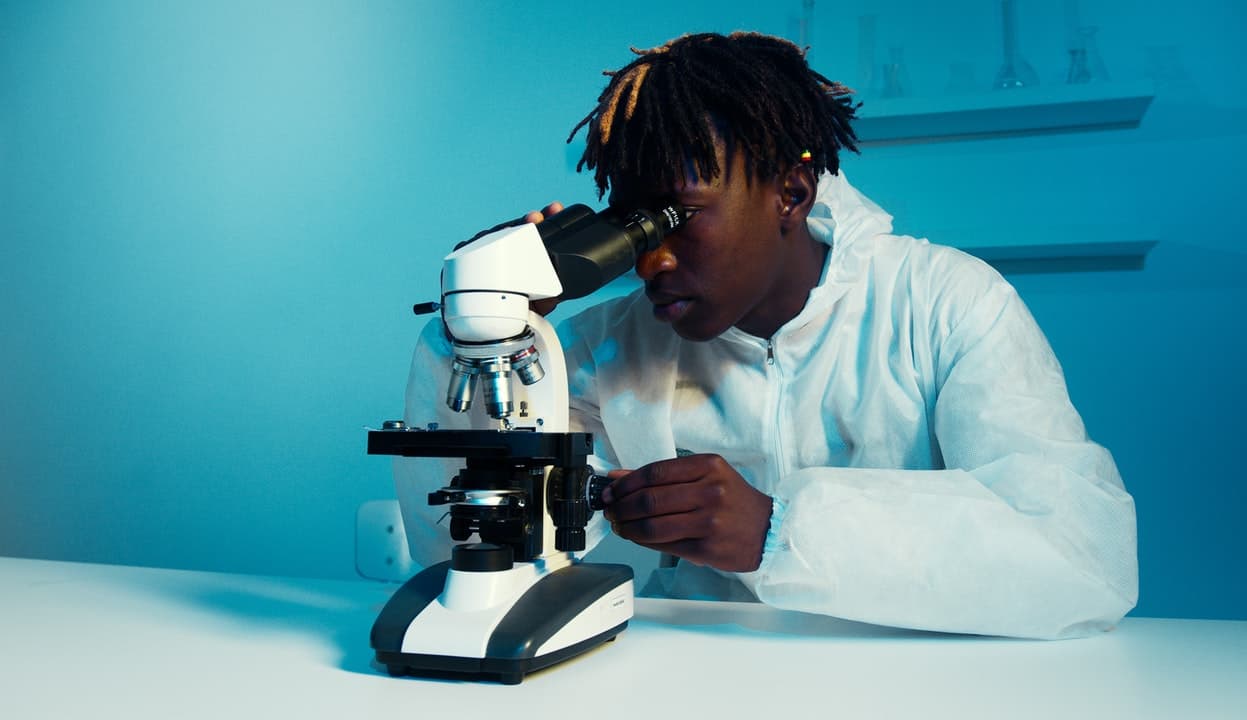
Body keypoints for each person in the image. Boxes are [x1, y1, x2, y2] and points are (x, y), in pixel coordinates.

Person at [396, 31, 1138, 640]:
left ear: (790, 192)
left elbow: (1083, 560)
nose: (651, 258)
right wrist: (477, 328)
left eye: (677, 215)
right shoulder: (603, 349)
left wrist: (778, 531)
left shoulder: (944, 302)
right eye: (633, 224)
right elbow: (462, 553)